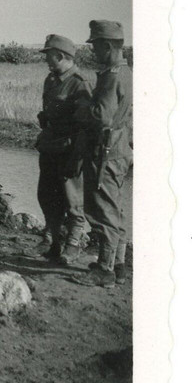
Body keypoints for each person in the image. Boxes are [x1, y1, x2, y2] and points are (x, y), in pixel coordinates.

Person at [75, 20, 133, 288]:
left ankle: (105, 269)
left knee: (103, 210)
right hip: (119, 149)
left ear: (108, 46)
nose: (93, 52)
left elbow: (102, 116)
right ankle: (118, 265)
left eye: (96, 46)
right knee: (116, 208)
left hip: (106, 151)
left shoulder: (111, 76)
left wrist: (83, 105)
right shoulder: (126, 72)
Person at [34, 34, 92, 264]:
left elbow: (85, 126)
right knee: (47, 196)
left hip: (69, 150)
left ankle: (73, 246)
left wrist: (78, 156)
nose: (47, 61)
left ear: (61, 56)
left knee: (73, 200)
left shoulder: (80, 83)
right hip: (49, 147)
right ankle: (53, 243)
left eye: (50, 56)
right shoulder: (51, 80)